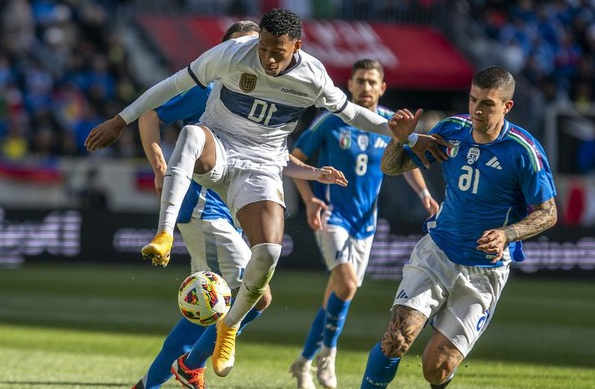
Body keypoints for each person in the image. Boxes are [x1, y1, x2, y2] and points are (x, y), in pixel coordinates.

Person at [84, 8, 445, 384]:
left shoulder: (311, 76)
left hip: (255, 176)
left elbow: (352, 114)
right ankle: (165, 239)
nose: (268, 58)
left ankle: (208, 346)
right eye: (261, 47)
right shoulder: (222, 67)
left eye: (278, 51)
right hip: (208, 200)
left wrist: (409, 138)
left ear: (296, 48)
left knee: (259, 270)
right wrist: (124, 125)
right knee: (214, 297)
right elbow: (162, 99)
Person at [131, 20, 347, 389]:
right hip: (203, 204)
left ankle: (176, 371)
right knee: (235, 297)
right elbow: (151, 113)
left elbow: (271, 157)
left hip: (228, 204)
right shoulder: (211, 87)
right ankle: (179, 370)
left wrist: (312, 172)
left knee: (234, 296)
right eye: (247, 46)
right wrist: (160, 167)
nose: (257, 58)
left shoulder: (266, 95)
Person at [359, 66, 558, 389]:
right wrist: (399, 140)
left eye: (488, 104)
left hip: (484, 270)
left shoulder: (524, 152)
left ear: (507, 107)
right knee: (397, 336)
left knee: (436, 368)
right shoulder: (451, 130)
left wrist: (507, 234)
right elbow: (392, 166)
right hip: (437, 252)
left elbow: (548, 214)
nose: (477, 110)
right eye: (472, 99)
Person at [289, 59, 439, 389]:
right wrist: (309, 198)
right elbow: (296, 158)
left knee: (338, 294)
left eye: (373, 81)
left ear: (382, 87)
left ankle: (303, 362)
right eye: (361, 81)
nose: (366, 87)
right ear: (351, 85)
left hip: (365, 223)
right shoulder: (331, 120)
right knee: (346, 284)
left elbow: (405, 160)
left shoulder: (390, 123)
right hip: (332, 214)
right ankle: (328, 355)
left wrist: (425, 195)